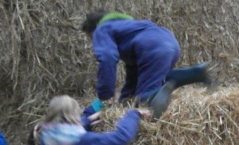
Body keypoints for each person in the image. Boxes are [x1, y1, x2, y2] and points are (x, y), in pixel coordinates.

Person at [81, 11, 211, 118]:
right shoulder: (129, 27)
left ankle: (161, 90)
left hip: (151, 49)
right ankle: (194, 73)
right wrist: (125, 99)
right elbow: (134, 73)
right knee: (150, 83)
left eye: (92, 39)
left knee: (144, 102)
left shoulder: (102, 30)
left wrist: (105, 95)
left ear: (94, 30)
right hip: (171, 44)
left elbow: (107, 59)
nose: (94, 43)